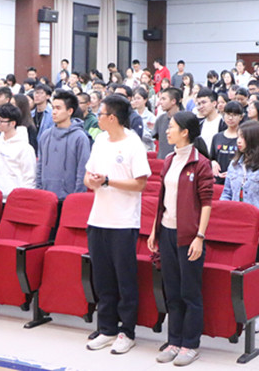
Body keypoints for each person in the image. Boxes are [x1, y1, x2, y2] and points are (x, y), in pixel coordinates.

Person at [83, 95, 150, 354]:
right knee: (102, 279)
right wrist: (93, 182)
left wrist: (109, 181)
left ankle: (127, 331)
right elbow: (87, 176)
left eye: (100, 113)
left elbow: (140, 183)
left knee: (125, 280)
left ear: (112, 117)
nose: (97, 117)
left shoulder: (133, 144)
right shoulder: (100, 140)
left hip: (123, 222)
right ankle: (107, 329)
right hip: (98, 219)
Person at [148, 111, 213, 366]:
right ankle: (174, 341)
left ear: (185, 132)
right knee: (172, 290)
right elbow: (162, 199)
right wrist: (154, 230)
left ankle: (190, 344)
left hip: (189, 236)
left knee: (190, 292)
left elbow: (206, 203)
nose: (167, 131)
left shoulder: (201, 163)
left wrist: (200, 236)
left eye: (171, 127)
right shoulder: (169, 159)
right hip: (167, 231)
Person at [219, 119, 259, 334]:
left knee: (257, 270)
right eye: (238, 136)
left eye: (242, 137)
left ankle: (257, 314)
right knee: (237, 270)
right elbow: (226, 193)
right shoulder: (234, 164)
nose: (238, 140)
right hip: (236, 227)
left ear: (252, 139)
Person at [36, 90, 91, 200]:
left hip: (69, 199)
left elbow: (82, 172)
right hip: (45, 198)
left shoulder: (80, 138)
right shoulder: (45, 135)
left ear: (70, 111)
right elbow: (40, 167)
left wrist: (76, 198)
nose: (54, 112)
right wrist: (39, 191)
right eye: (53, 108)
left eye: (58, 108)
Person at [0, 103, 36, 201]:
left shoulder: (25, 148)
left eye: (1, 121)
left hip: (15, 199)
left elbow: (29, 179)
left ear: (12, 123)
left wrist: (23, 199)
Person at [210, 101, 243, 182]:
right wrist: (212, 162)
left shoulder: (244, 138)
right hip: (218, 180)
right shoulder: (217, 137)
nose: (230, 118)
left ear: (241, 117)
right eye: (228, 114)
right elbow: (211, 157)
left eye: (234, 115)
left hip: (237, 181)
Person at [154, 87, 183, 159]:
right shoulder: (160, 119)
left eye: (164, 99)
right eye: (160, 99)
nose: (161, 102)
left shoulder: (184, 119)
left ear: (173, 101)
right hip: (162, 161)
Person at [131, 87, 157, 151]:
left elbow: (153, 136)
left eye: (138, 98)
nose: (136, 101)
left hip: (146, 148)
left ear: (145, 100)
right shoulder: (131, 115)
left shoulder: (151, 117)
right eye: (134, 99)